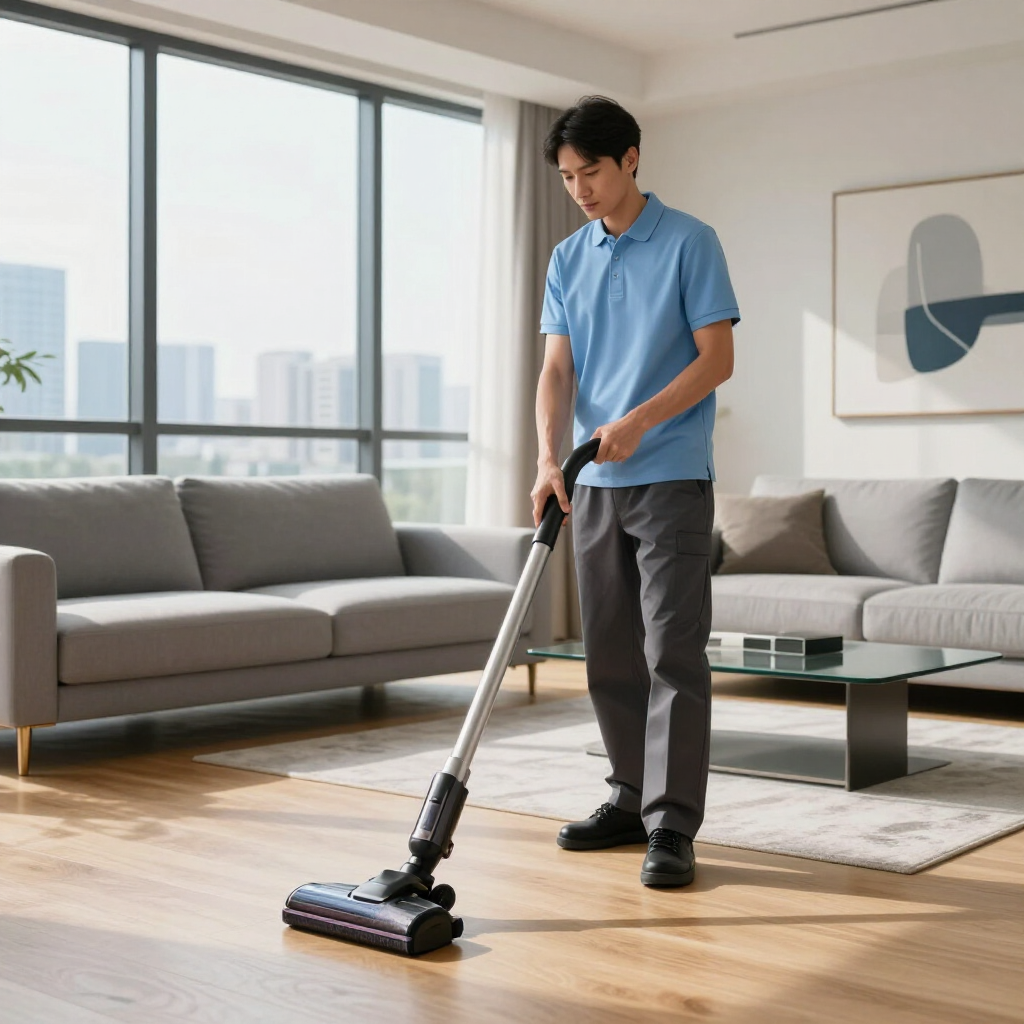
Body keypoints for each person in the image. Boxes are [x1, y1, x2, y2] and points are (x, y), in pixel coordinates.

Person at [531, 96, 739, 888]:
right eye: (567, 176)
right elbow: (557, 369)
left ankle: (672, 825)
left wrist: (640, 423)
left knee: (672, 653)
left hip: (672, 476)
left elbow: (715, 360)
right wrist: (551, 459)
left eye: (591, 171)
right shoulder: (566, 257)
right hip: (594, 481)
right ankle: (627, 796)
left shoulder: (691, 241)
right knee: (609, 652)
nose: (580, 188)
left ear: (632, 159)